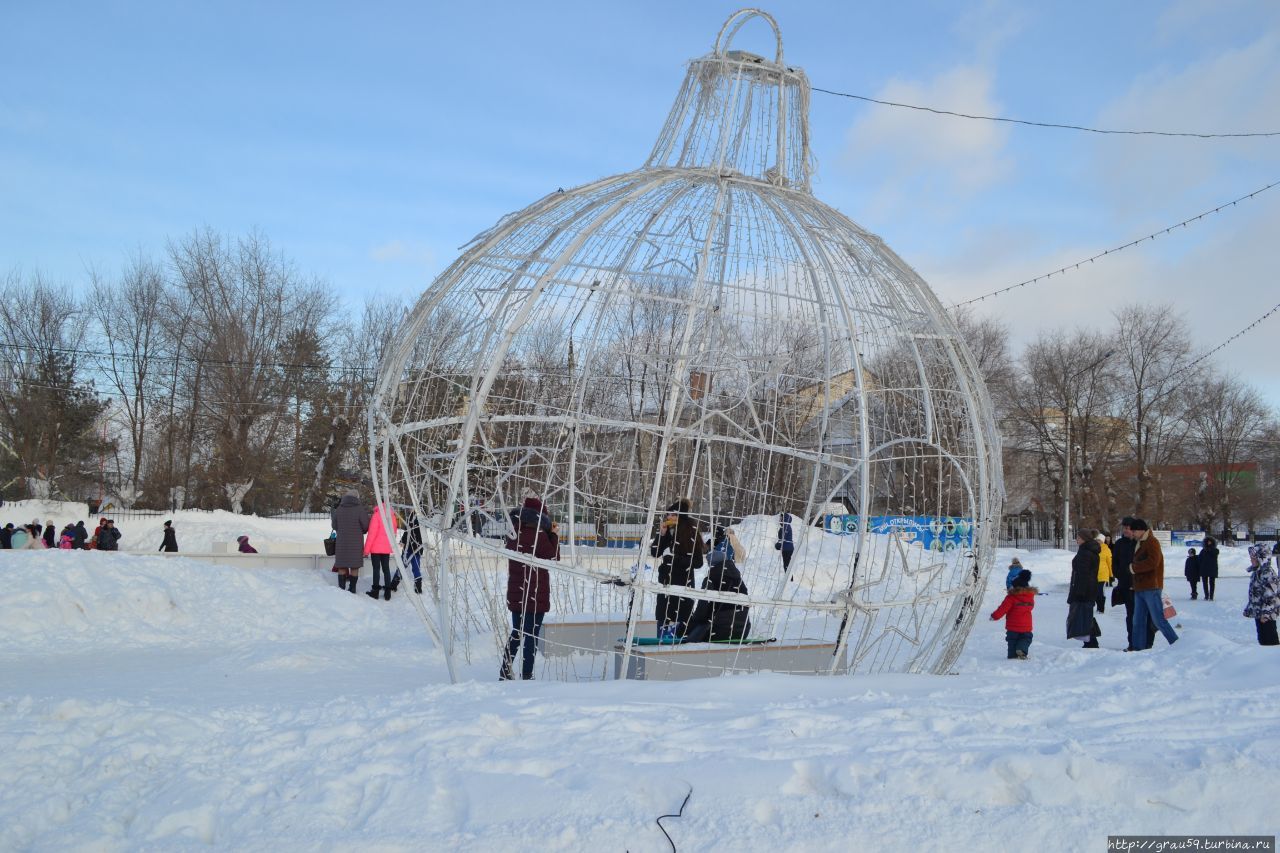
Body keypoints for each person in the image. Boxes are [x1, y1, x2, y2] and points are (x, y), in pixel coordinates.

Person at [501, 496, 559, 680]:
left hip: (516, 591)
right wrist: (554, 534)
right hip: (535, 592)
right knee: (532, 634)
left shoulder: (513, 533)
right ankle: (527, 674)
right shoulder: (540, 535)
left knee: (517, 632)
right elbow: (552, 557)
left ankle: (505, 670)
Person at [649, 498, 704, 633]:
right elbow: (655, 552)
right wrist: (661, 535)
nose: (669, 517)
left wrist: (675, 559)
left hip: (683, 585)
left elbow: (698, 562)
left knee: (679, 628)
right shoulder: (669, 532)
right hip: (665, 585)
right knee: (662, 622)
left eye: (673, 514)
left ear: (681, 516)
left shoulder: (690, 531)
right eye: (668, 514)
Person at [684, 548, 751, 644]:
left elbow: (702, 609)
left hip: (719, 630)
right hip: (743, 630)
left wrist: (691, 624)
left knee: (689, 640)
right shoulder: (738, 580)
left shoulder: (711, 579)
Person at [1129, 518, 1178, 650]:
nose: (1132, 534)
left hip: (1151, 587)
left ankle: (1177, 644)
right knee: (1138, 620)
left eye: (1133, 531)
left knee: (1158, 620)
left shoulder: (1152, 542)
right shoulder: (1141, 542)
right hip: (1140, 588)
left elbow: (1153, 562)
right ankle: (1137, 648)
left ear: (1140, 530)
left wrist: (1134, 568)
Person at [990, 568, 1036, 659]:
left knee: (1012, 641)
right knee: (1026, 638)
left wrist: (994, 616)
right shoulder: (1030, 597)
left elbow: (1003, 609)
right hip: (1026, 626)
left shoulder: (1011, 597)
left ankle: (1012, 656)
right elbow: (1031, 607)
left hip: (1012, 626)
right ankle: (1022, 649)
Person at [1067, 529, 1102, 649]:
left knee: (1083, 615)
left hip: (1084, 589)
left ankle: (1091, 642)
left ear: (1085, 539)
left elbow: (1084, 574)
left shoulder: (1086, 553)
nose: (1077, 539)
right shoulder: (1088, 550)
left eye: (1078, 537)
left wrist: (1079, 592)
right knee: (1086, 614)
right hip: (1088, 588)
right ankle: (1090, 640)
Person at [331, 491, 370, 593]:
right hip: (356, 543)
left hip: (341, 543)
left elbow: (334, 526)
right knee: (354, 567)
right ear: (357, 497)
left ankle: (341, 590)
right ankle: (352, 589)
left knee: (342, 565)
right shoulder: (360, 509)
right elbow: (366, 526)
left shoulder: (339, 509)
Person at [1243, 544, 1279, 646]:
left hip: (1266, 615)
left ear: (1261, 558)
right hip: (1260, 613)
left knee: (1270, 640)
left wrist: (1266, 614)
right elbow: (1255, 594)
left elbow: (1270, 596)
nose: (1251, 560)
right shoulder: (1257, 572)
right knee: (1262, 640)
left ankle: (1270, 660)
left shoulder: (1267, 573)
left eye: (1253, 558)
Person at [364, 502, 398, 601]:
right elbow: (394, 532)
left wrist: (366, 550)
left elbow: (371, 535)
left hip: (375, 548)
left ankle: (375, 591)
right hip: (386, 548)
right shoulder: (392, 516)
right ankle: (387, 593)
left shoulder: (376, 515)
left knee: (376, 569)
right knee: (386, 569)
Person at [1094, 533, 1113, 614]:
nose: (1098, 542)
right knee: (1094, 592)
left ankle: (1101, 608)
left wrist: (1111, 575)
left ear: (1102, 541)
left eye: (1100, 540)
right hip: (1093, 574)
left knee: (1100, 592)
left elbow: (1110, 563)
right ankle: (1098, 606)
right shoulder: (1093, 549)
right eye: (1097, 540)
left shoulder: (1106, 550)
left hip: (1102, 574)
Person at [1198, 536, 1220, 601]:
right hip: (1204, 568)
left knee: (1212, 583)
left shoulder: (1215, 550)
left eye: (1210, 541)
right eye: (1207, 541)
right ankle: (1206, 595)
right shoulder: (1203, 550)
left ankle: (1211, 596)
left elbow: (1215, 554)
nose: (1209, 543)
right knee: (1205, 583)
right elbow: (1199, 559)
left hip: (1212, 569)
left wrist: (1210, 549)